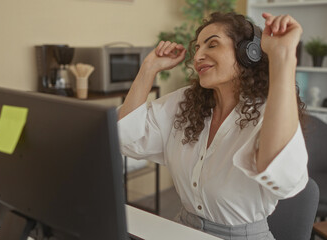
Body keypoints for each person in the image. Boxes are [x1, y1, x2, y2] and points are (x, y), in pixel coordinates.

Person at [118, 11, 308, 240]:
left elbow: (280, 173)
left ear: (249, 53)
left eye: (212, 45)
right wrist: (148, 68)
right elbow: (123, 137)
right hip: (182, 230)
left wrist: (282, 57)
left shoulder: (270, 111)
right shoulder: (185, 102)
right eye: (197, 48)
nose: (198, 56)